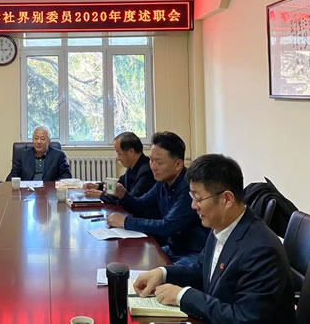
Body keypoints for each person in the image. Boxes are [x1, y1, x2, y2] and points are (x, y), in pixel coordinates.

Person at [133, 154, 296, 324]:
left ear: (227, 199)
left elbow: (244, 318)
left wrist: (183, 296)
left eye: (198, 199)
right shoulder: (221, 225)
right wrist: (163, 273)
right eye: (192, 198)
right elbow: (201, 270)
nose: (193, 206)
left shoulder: (261, 250)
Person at [106, 131, 208, 265]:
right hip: (173, 249)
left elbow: (168, 226)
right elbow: (141, 205)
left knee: (152, 272)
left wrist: (125, 222)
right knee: (130, 262)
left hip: (192, 254)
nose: (153, 166)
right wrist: (123, 195)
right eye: (151, 160)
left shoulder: (188, 187)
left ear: (178, 165)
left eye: (158, 162)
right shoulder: (162, 182)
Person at [83, 131, 154, 203]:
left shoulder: (146, 171)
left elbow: (131, 200)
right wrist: (98, 186)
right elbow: (120, 184)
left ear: (131, 152)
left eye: (119, 154)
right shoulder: (133, 165)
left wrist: (101, 195)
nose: (117, 158)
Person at [6, 125, 72, 181]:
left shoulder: (59, 156)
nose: (39, 142)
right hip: (27, 190)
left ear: (49, 141)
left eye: (42, 139)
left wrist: (53, 186)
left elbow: (66, 176)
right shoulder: (23, 155)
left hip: (49, 190)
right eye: (36, 138)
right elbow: (12, 176)